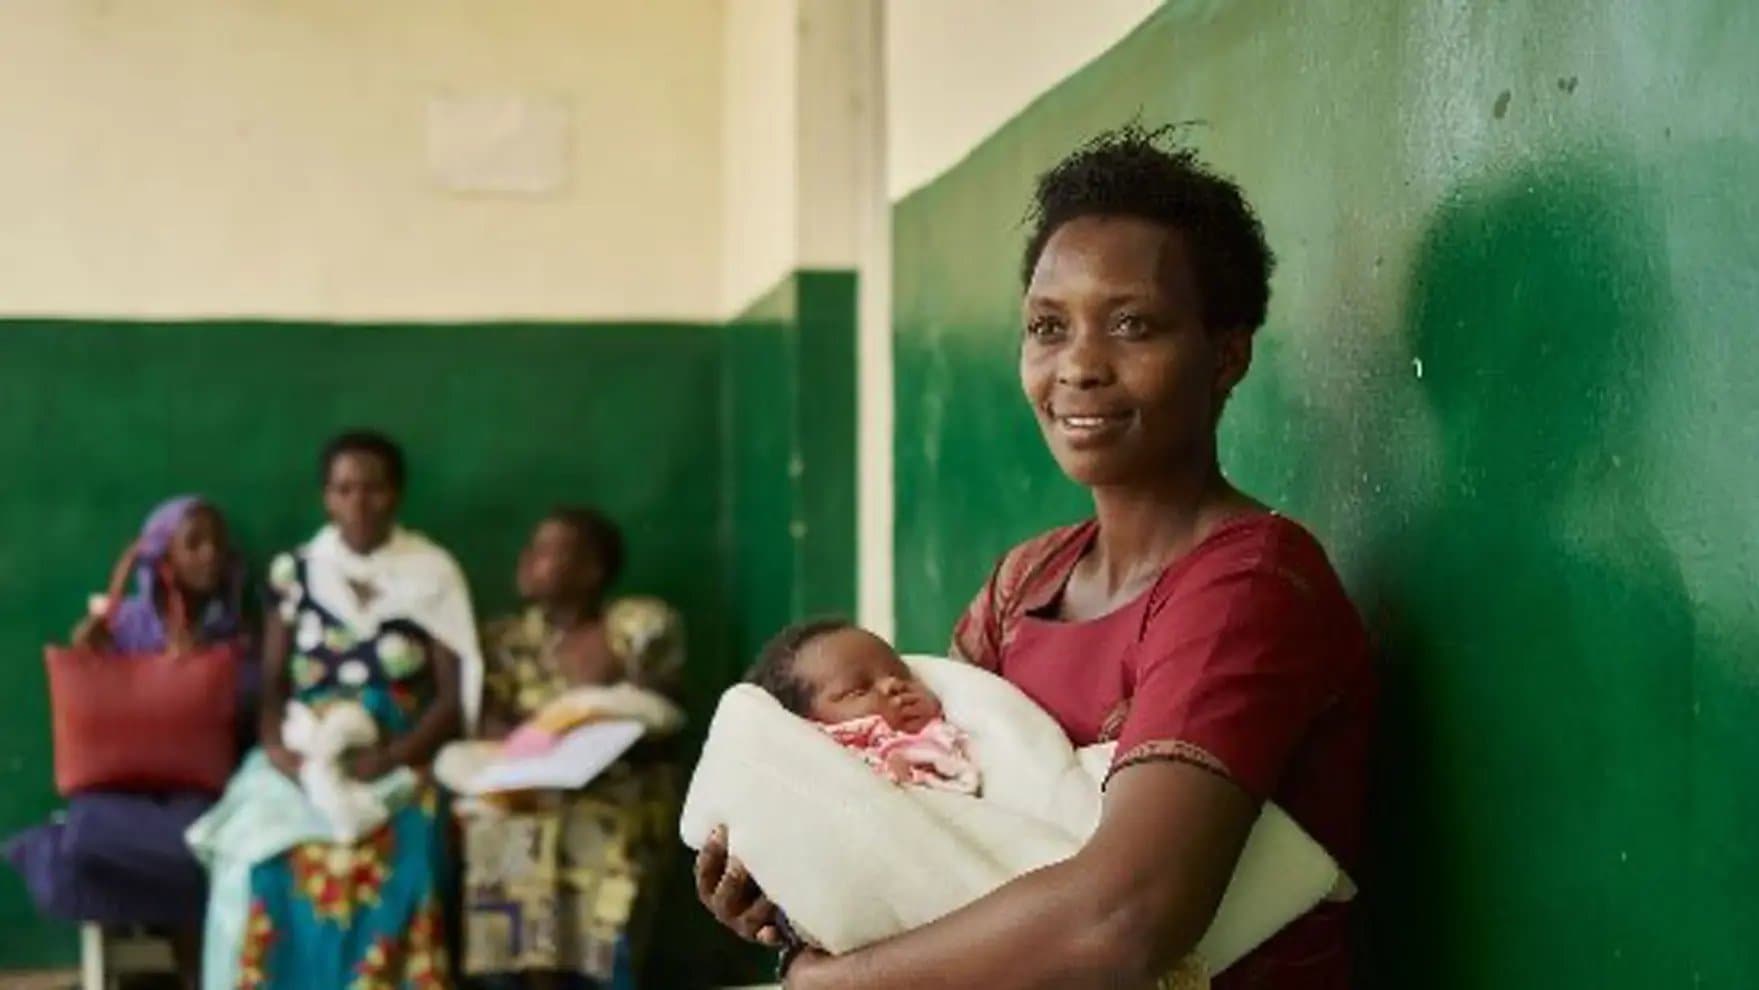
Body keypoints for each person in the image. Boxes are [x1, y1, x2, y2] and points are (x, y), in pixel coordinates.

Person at [695, 125, 1375, 988]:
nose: (1079, 366)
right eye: (1047, 327)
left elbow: (1125, 921)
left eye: (1132, 325)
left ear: (1227, 354)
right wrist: (794, 892)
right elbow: (929, 839)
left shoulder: (1246, 586)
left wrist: (826, 982)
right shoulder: (1026, 586)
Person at [188, 430, 481, 990]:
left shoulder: (432, 572)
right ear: (327, 497)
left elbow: (450, 697)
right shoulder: (295, 572)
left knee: (408, 856)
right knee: (264, 854)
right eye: (344, 489)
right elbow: (272, 685)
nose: (359, 503)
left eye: (373, 489)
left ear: (396, 494)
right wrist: (278, 752)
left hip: (398, 748)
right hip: (305, 744)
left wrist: (396, 754)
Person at [5, 495, 253, 989]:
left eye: (217, 545)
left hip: (197, 785)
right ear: (164, 555)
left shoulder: (241, 626)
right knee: (86, 837)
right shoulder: (124, 623)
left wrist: (204, 667)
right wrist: (96, 653)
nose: (210, 555)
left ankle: (191, 965)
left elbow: (250, 707)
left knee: (203, 845)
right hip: (124, 782)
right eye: (194, 544)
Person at [460, 508, 685, 990]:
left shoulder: (633, 627)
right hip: (528, 790)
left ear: (592, 569)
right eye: (531, 547)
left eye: (549, 550)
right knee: (501, 839)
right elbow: (487, 721)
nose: (528, 560)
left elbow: (660, 709)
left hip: (616, 790)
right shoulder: (507, 641)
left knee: (598, 841)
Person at [746, 618, 979, 794]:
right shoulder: (815, 762)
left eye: (902, 674)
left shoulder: (953, 737)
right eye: (858, 689)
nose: (892, 685)